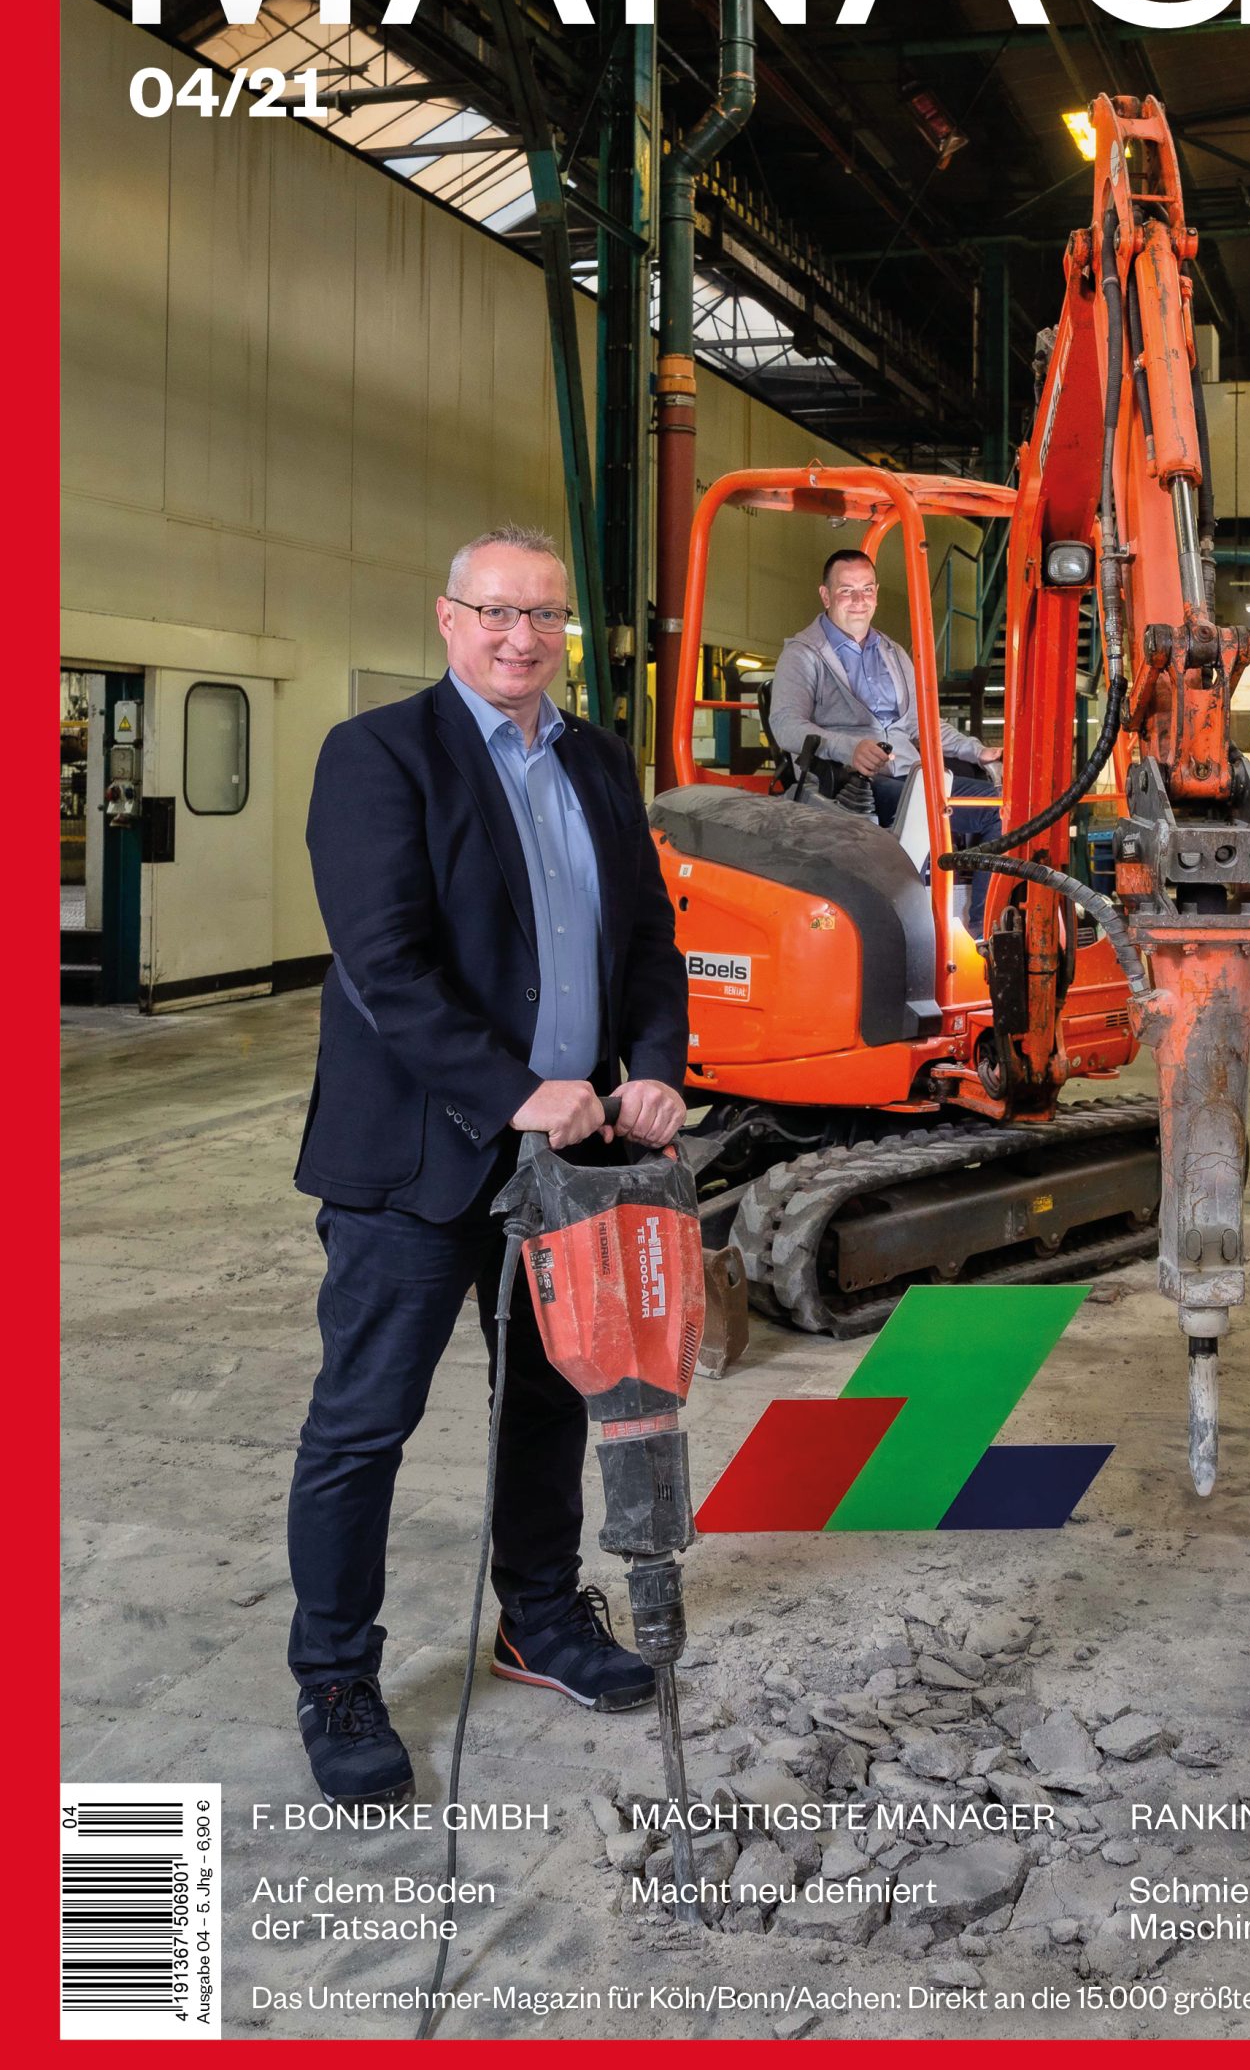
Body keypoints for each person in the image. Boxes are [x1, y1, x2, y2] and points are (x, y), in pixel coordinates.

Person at [287, 524, 689, 1805]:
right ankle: (335, 1674)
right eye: (498, 612)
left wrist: (654, 1061)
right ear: (448, 618)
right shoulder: (379, 754)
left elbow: (647, 935)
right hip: (419, 1160)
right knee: (364, 1424)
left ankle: (539, 1616)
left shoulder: (597, 760)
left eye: (546, 615)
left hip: (576, 1154)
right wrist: (514, 1090)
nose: (523, 637)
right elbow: (384, 965)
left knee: (552, 1401)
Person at [768, 549, 1003, 925]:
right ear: (826, 596)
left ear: (876, 593)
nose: (858, 600)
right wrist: (849, 749)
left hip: (911, 776)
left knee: (1000, 808)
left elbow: (921, 724)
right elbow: (785, 724)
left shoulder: (893, 653)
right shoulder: (803, 655)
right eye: (846, 590)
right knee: (924, 811)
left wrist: (976, 751)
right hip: (850, 782)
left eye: (866, 589)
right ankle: (909, 924)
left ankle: (982, 929)